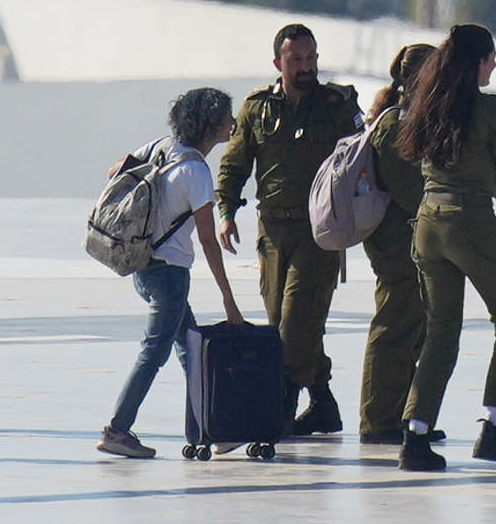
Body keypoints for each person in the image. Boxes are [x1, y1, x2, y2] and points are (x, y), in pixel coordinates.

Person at [395, 23, 496, 472]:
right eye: (490, 58)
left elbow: (467, 142)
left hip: (428, 223)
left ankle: (416, 435)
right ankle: (495, 429)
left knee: (442, 332)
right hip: (472, 224)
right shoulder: (491, 108)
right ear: (477, 62)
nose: (495, 64)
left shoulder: (432, 103)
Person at [216, 23, 362, 437]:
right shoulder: (258, 109)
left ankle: (280, 405)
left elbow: (364, 157)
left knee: (296, 321)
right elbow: (235, 163)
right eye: (296, 59)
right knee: (284, 319)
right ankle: (323, 401)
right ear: (278, 63)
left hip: (320, 231)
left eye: (311, 58)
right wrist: (226, 211)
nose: (306, 67)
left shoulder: (336, 105)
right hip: (273, 234)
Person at [98, 87, 247, 458]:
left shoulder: (162, 147)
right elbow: (209, 242)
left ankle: (216, 426)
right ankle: (117, 429)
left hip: (144, 265)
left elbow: (115, 169)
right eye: (228, 117)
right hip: (170, 275)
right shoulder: (197, 171)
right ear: (212, 126)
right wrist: (230, 301)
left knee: (190, 349)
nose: (234, 122)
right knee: (155, 351)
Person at [359, 44, 434, 445]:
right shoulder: (394, 126)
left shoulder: (415, 122)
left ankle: (402, 413)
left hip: (415, 243)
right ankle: (377, 420)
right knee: (392, 328)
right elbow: (411, 190)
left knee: (414, 329)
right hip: (396, 244)